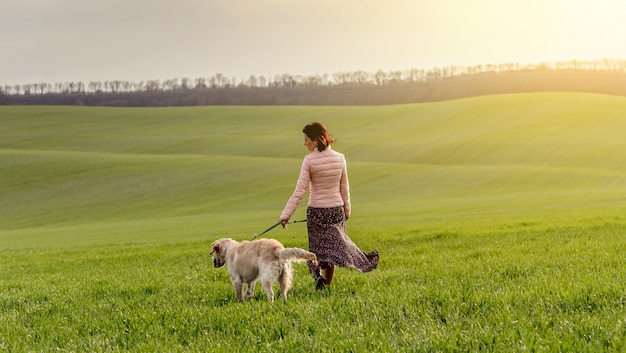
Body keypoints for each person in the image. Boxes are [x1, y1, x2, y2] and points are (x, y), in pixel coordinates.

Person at [280, 122, 378, 290]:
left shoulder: (309, 160)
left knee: (316, 249)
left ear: (316, 140)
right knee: (332, 250)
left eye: (306, 140)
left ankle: (317, 276)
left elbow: (300, 191)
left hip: (316, 211)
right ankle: (328, 284)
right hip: (335, 210)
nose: (305, 144)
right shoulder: (340, 158)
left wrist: (285, 215)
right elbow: (344, 187)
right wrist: (347, 210)